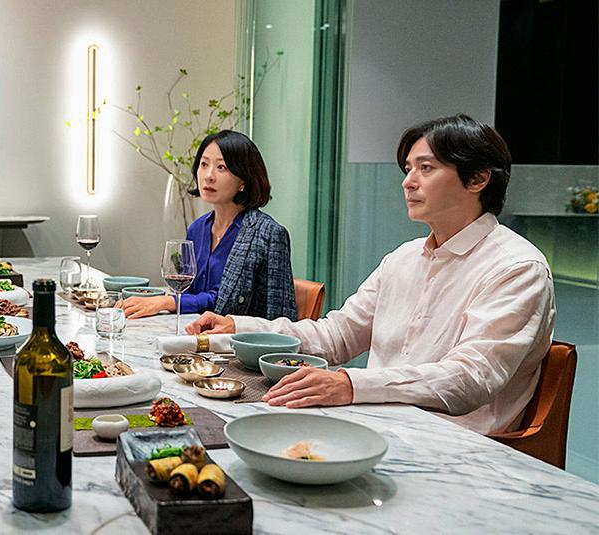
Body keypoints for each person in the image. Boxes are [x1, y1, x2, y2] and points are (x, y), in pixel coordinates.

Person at [187, 114, 555, 435]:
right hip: (377, 424)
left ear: (478, 179)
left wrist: (350, 384)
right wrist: (239, 327)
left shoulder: (517, 268)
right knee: (212, 428)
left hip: (455, 447)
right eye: (408, 169)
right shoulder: (403, 259)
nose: (408, 182)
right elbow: (337, 335)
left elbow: (470, 378)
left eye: (426, 168)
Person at [120, 130, 296, 321]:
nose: (209, 176)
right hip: (193, 333)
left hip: (237, 338)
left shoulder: (268, 234)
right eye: (204, 164)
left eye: (221, 167)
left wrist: (168, 302)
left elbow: (281, 316)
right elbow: (187, 292)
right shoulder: (197, 229)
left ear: (243, 181)